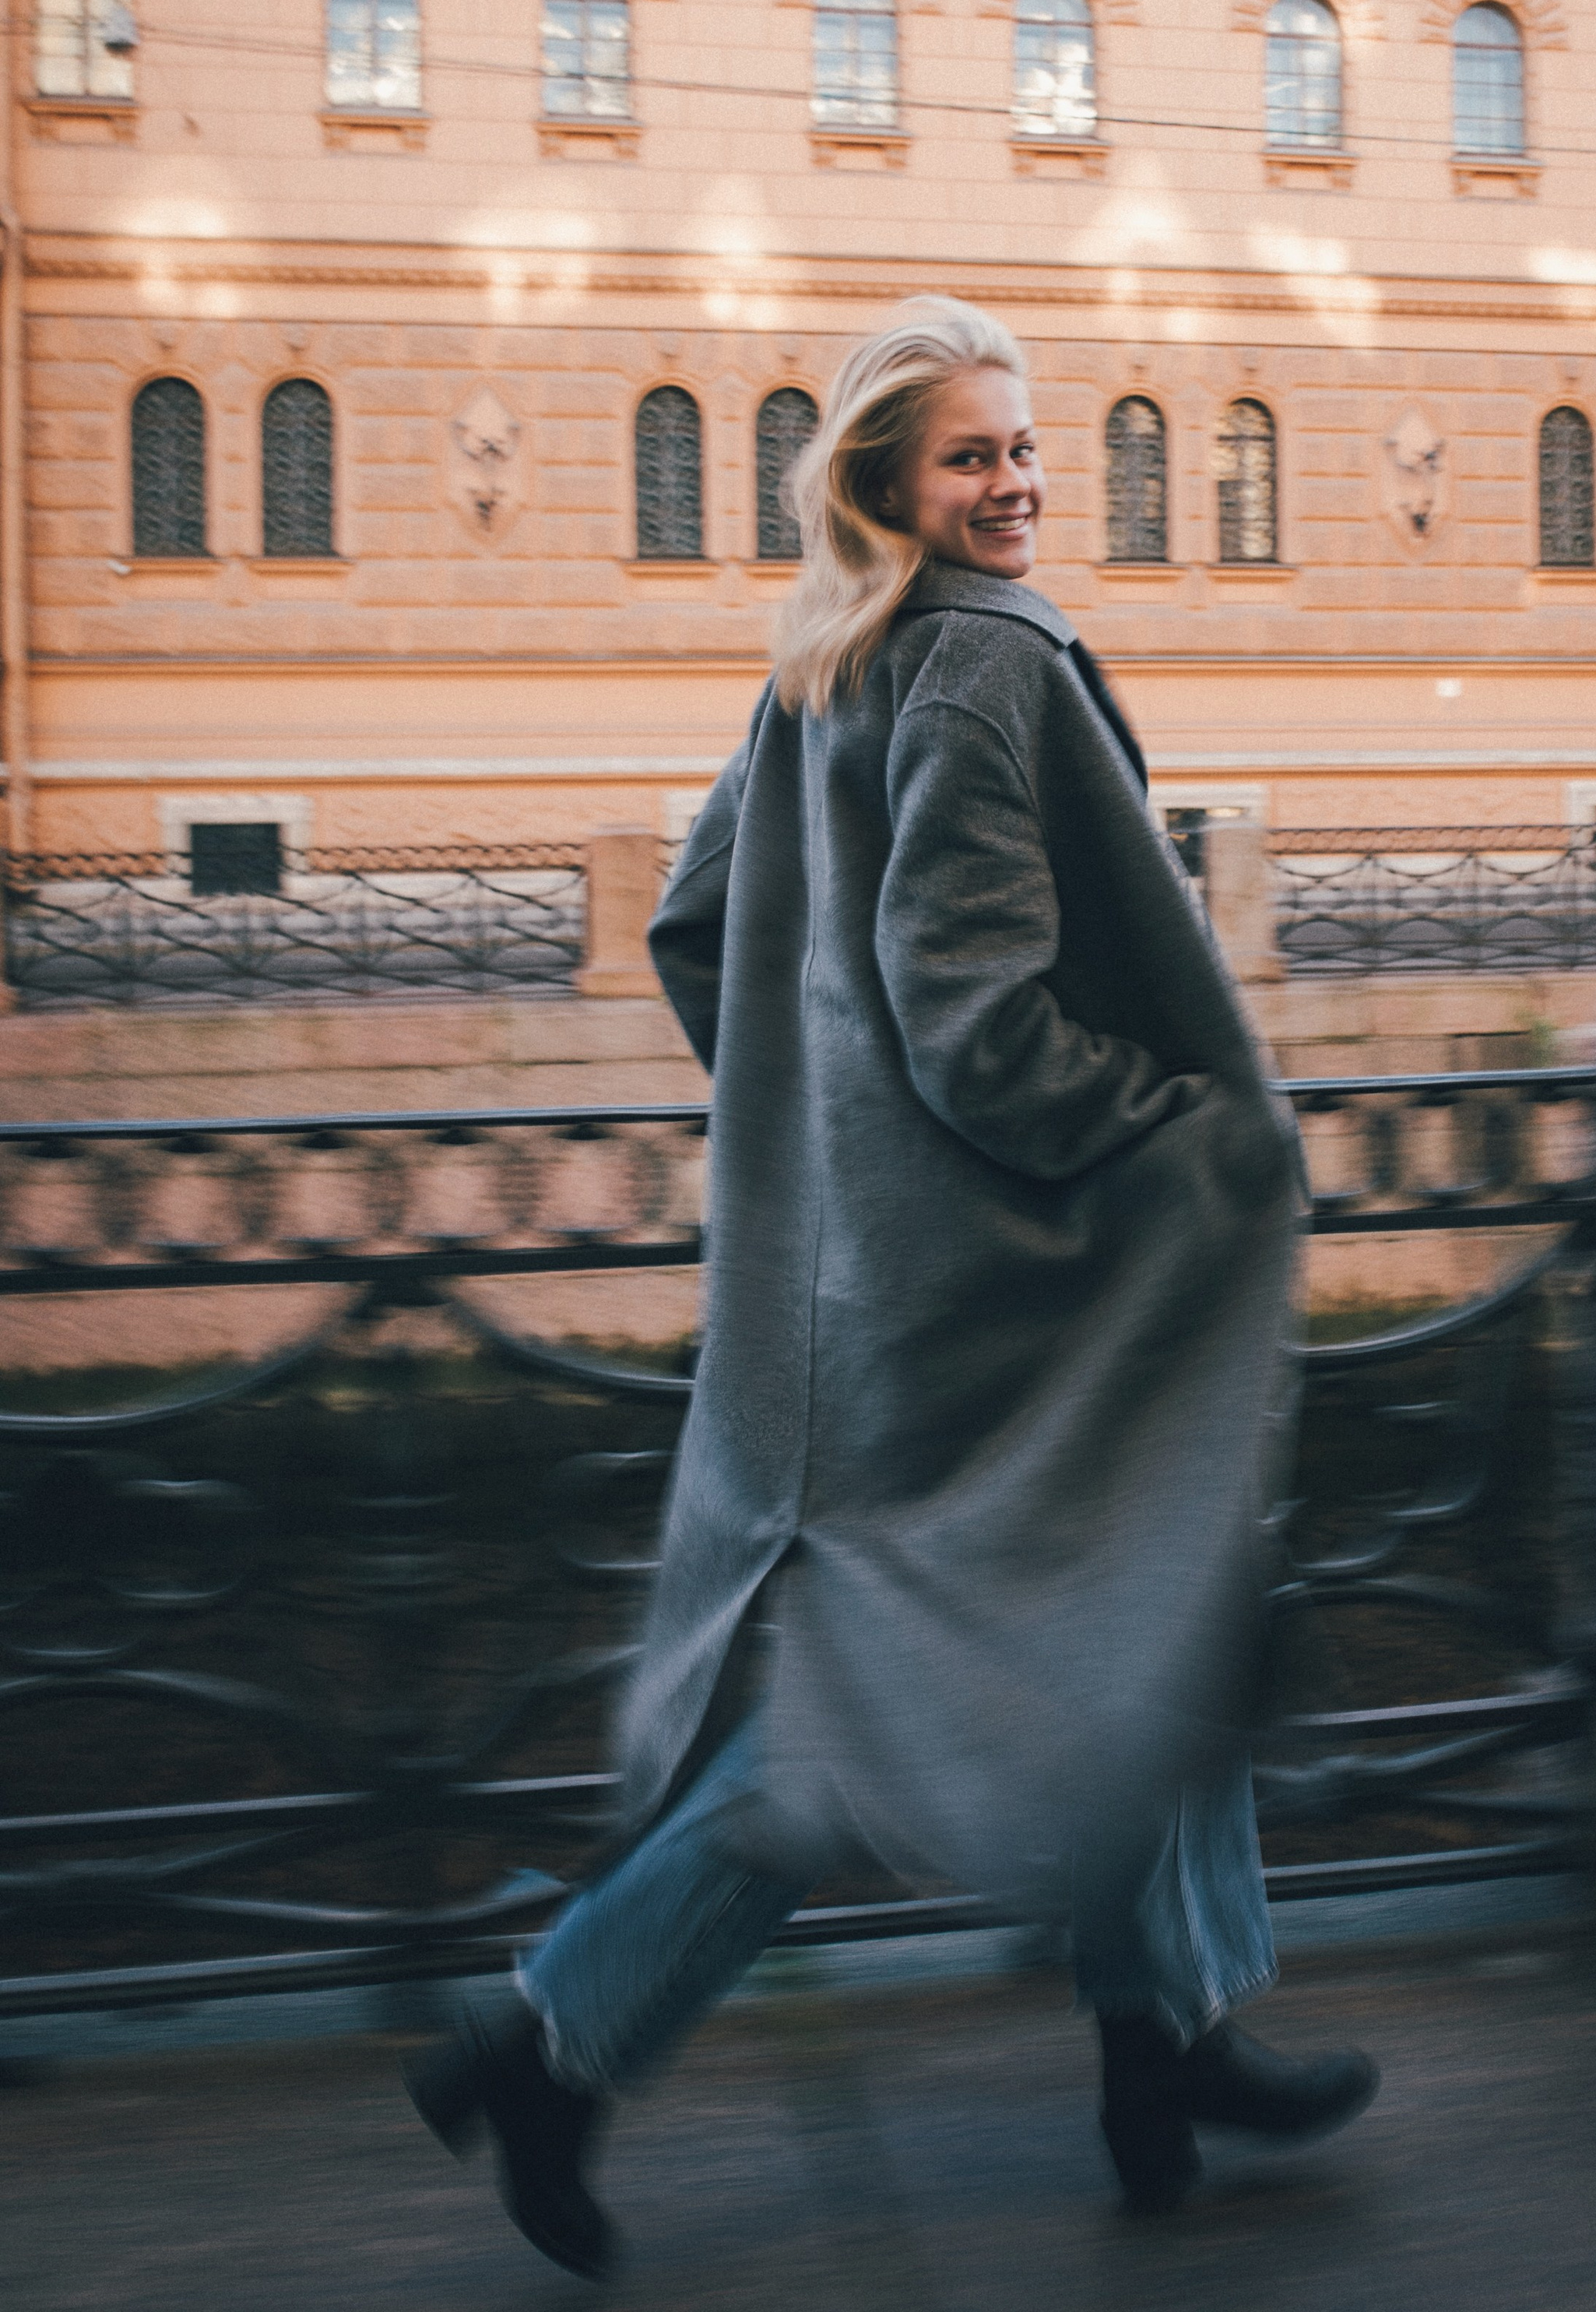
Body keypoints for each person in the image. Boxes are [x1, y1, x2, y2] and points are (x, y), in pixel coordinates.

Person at [406, 298, 1378, 2275]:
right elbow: (977, 1031)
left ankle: (1164, 2036)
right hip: (1009, 1294)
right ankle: (546, 2041)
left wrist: (825, 1137)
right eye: (969, 458)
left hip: (865, 1294)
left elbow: (702, 937)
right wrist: (1175, 1131)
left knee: (1158, 1595)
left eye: (1027, 451)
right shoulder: (975, 671)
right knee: (870, 1729)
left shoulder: (820, 667)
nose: (1013, 485)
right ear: (887, 486)